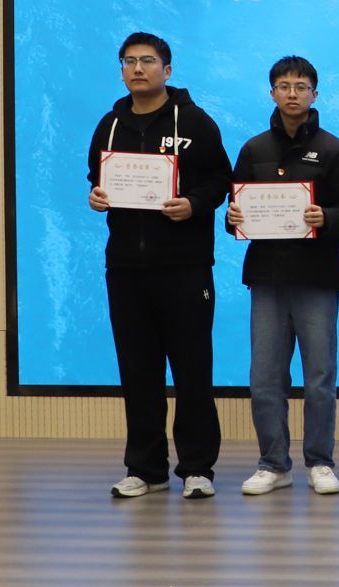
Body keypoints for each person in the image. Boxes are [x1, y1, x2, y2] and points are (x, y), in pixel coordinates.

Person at [86, 31, 232, 500]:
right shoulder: (110, 125)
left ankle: (197, 469)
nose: (137, 68)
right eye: (129, 61)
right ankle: (145, 469)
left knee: (192, 371)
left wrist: (194, 204)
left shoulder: (195, 122)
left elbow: (220, 180)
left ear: (167, 70)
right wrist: (97, 196)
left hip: (185, 267)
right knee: (138, 372)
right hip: (126, 269)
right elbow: (96, 178)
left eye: (147, 60)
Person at [223, 55, 339, 497]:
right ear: (272, 93)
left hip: (317, 278)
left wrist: (328, 217)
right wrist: (232, 218)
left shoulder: (335, 150)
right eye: (284, 86)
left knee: (319, 377)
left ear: (314, 94)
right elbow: (234, 214)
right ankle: (273, 464)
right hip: (266, 279)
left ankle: (320, 462)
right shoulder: (253, 150)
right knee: (265, 378)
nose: (292, 93)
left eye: (301, 86)